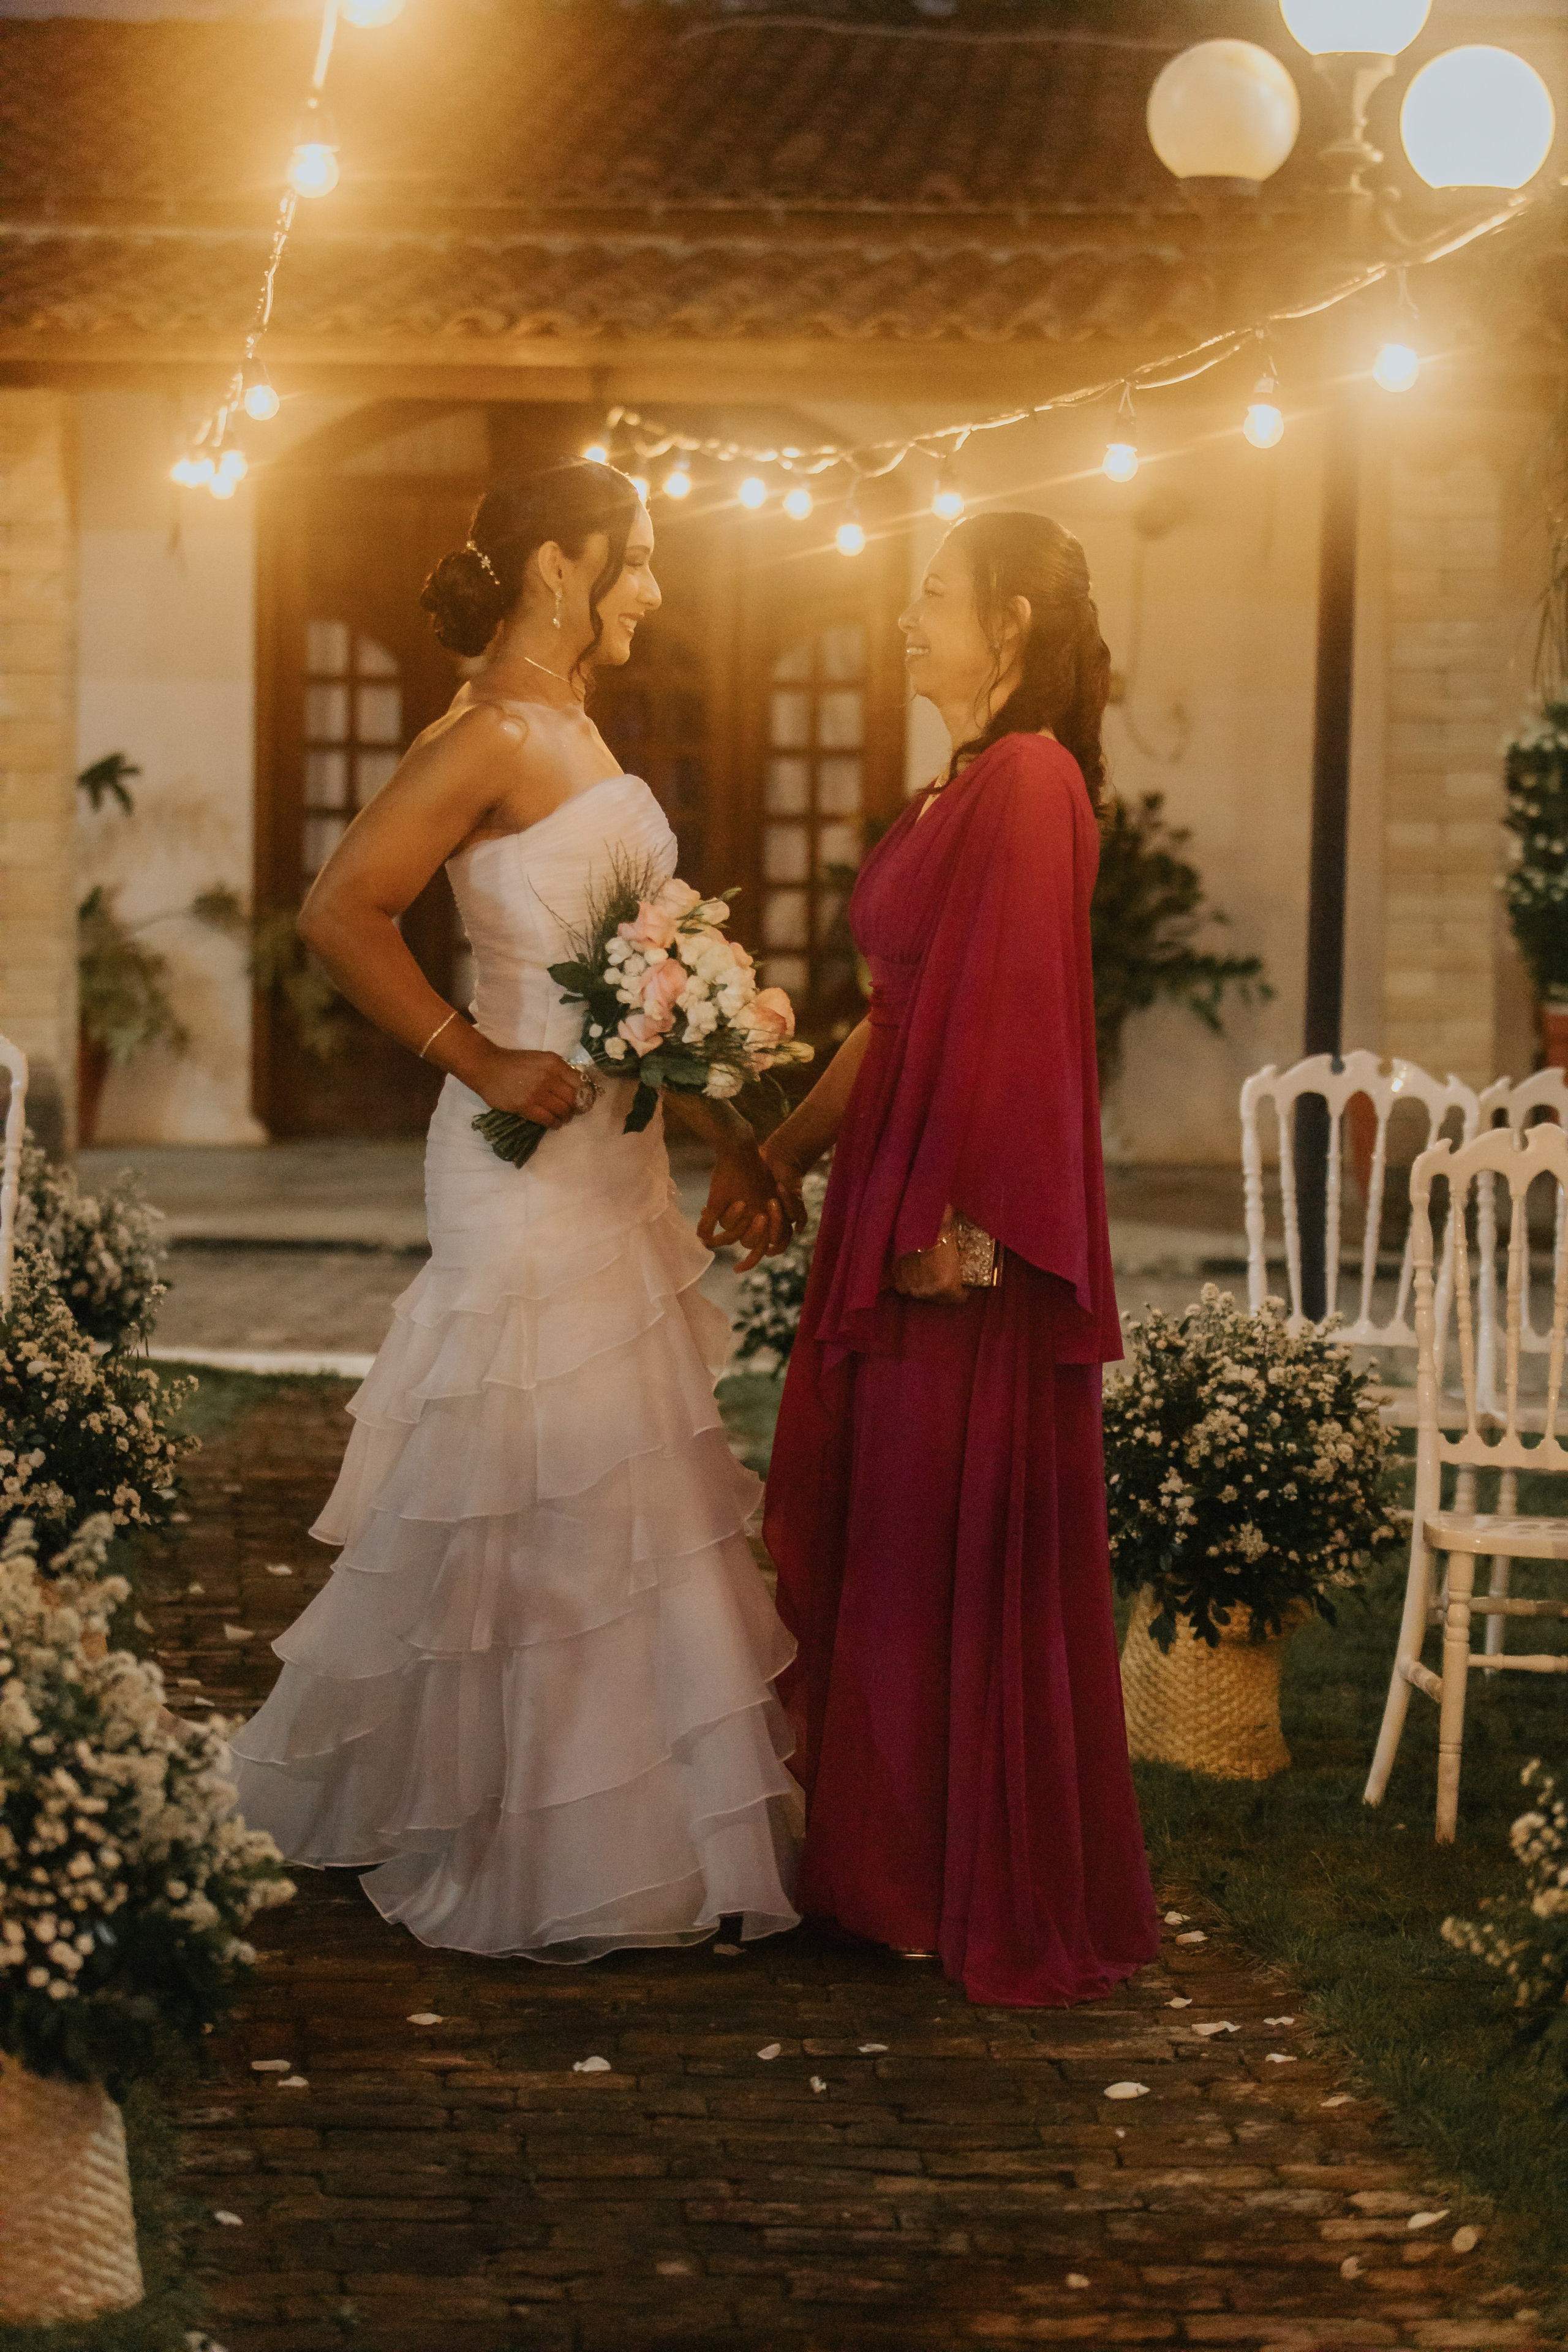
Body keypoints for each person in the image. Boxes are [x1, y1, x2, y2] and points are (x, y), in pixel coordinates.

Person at [230, 460, 802, 1962]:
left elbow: (628, 971)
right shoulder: (487, 732)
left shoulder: (573, 721)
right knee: (529, 1477)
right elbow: (341, 909)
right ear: (560, 564)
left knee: (616, 1481)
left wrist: (724, 1100)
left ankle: (620, 1817)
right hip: (510, 1152)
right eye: (638, 561)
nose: (653, 590)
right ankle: (520, 1830)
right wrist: (478, 1051)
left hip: (614, 1158)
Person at [761, 511, 1159, 2008]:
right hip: (893, 1200)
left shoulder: (1034, 783)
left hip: (960, 1243)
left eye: (929, 596)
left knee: (940, 1549)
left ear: (1003, 624)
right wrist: (780, 1153)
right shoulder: (957, 789)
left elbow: (1018, 1029)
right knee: (876, 1541)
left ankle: (944, 1875)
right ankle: (877, 1867)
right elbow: (899, 1014)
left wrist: (958, 1230)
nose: (906, 619)